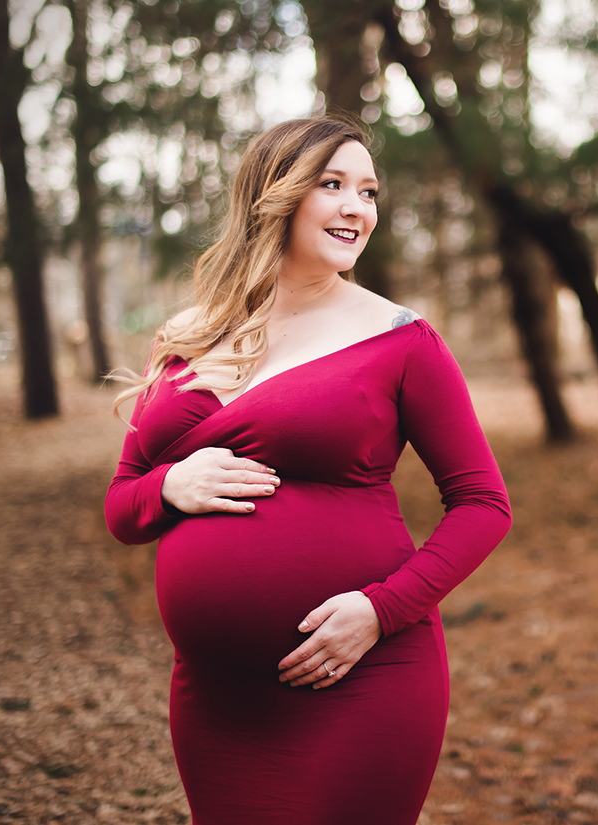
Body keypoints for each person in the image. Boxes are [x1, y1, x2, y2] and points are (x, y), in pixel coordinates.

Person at [105, 117, 512, 825]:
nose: (358, 207)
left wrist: (381, 611)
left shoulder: (400, 339)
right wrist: (169, 485)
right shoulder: (188, 337)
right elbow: (122, 506)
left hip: (362, 676)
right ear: (276, 193)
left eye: (369, 191)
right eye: (333, 185)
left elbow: (483, 502)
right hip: (217, 699)